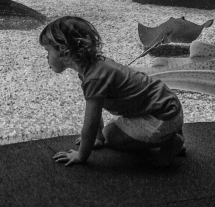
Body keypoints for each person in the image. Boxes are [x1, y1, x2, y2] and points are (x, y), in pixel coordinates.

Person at [40, 16, 186, 168]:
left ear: (64, 50)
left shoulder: (94, 78)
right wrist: (97, 138)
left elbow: (91, 123)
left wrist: (81, 155)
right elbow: (97, 108)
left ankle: (171, 141)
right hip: (166, 104)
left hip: (161, 115)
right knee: (107, 132)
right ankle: (170, 132)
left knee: (112, 137)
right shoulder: (93, 67)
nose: (47, 57)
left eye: (47, 51)